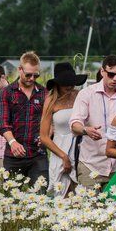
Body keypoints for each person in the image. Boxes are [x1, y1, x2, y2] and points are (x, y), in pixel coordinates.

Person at [70, 55, 116, 192]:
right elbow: (74, 123)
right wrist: (86, 130)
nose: (115, 79)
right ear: (102, 71)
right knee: (88, 210)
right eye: (111, 74)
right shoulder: (86, 94)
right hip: (91, 165)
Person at [0, 51, 48, 187]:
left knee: (40, 195)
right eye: (28, 74)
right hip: (13, 155)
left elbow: (49, 121)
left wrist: (46, 135)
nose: (32, 78)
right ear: (19, 69)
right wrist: (13, 142)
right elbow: (3, 123)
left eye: (36, 75)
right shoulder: (7, 92)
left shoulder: (44, 93)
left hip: (38, 154)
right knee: (12, 199)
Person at [39, 61, 87, 197]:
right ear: (57, 84)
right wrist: (63, 156)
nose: (70, 86)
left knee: (80, 194)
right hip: (60, 149)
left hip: (80, 148)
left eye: (72, 82)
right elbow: (44, 136)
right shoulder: (51, 101)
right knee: (62, 193)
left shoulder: (79, 96)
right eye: (66, 83)